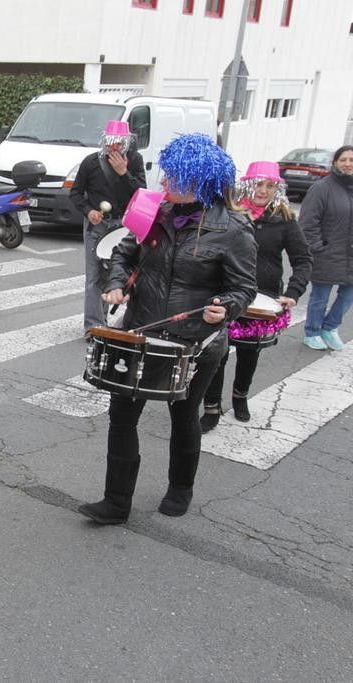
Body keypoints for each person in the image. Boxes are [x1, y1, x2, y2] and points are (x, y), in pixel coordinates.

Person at [78, 133, 257, 525]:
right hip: (142, 329)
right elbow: (125, 251)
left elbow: (243, 287)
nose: (162, 183)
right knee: (122, 415)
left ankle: (180, 487)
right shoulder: (154, 212)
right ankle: (116, 501)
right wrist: (115, 284)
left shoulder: (233, 229)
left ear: (198, 180)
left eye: (172, 177)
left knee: (184, 415)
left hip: (196, 341)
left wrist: (224, 308)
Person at [200, 161, 312, 432]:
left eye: (270, 186)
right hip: (225, 294)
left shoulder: (284, 219)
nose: (263, 190)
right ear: (247, 185)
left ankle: (240, 397)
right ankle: (212, 407)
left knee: (249, 354)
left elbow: (303, 259)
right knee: (218, 354)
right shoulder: (227, 213)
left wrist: (293, 293)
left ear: (277, 189)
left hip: (263, 298)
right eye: (258, 184)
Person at [69, 120, 147, 333]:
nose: (114, 148)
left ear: (126, 144)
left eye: (119, 144)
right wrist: (88, 211)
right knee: (94, 276)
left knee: (115, 273)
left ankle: (104, 319)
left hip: (123, 225)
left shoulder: (135, 161)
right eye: (111, 143)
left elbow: (141, 195)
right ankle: (94, 326)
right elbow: (75, 193)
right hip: (98, 223)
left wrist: (124, 174)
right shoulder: (91, 162)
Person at [300, 145, 353, 351]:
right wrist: (317, 247)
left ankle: (329, 328)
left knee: (348, 296)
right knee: (320, 296)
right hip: (327, 253)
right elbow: (307, 222)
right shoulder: (322, 188)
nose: (348, 164)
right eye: (343, 160)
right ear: (335, 163)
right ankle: (312, 331)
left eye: (351, 160)